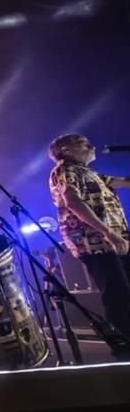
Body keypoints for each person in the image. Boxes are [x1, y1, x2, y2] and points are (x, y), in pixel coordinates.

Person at [48, 134, 130, 342]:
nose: (92, 147)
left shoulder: (88, 172)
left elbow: (124, 182)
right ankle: (123, 345)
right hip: (95, 242)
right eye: (84, 144)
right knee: (117, 294)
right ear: (66, 150)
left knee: (123, 291)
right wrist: (108, 232)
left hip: (114, 241)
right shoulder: (65, 170)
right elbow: (73, 202)